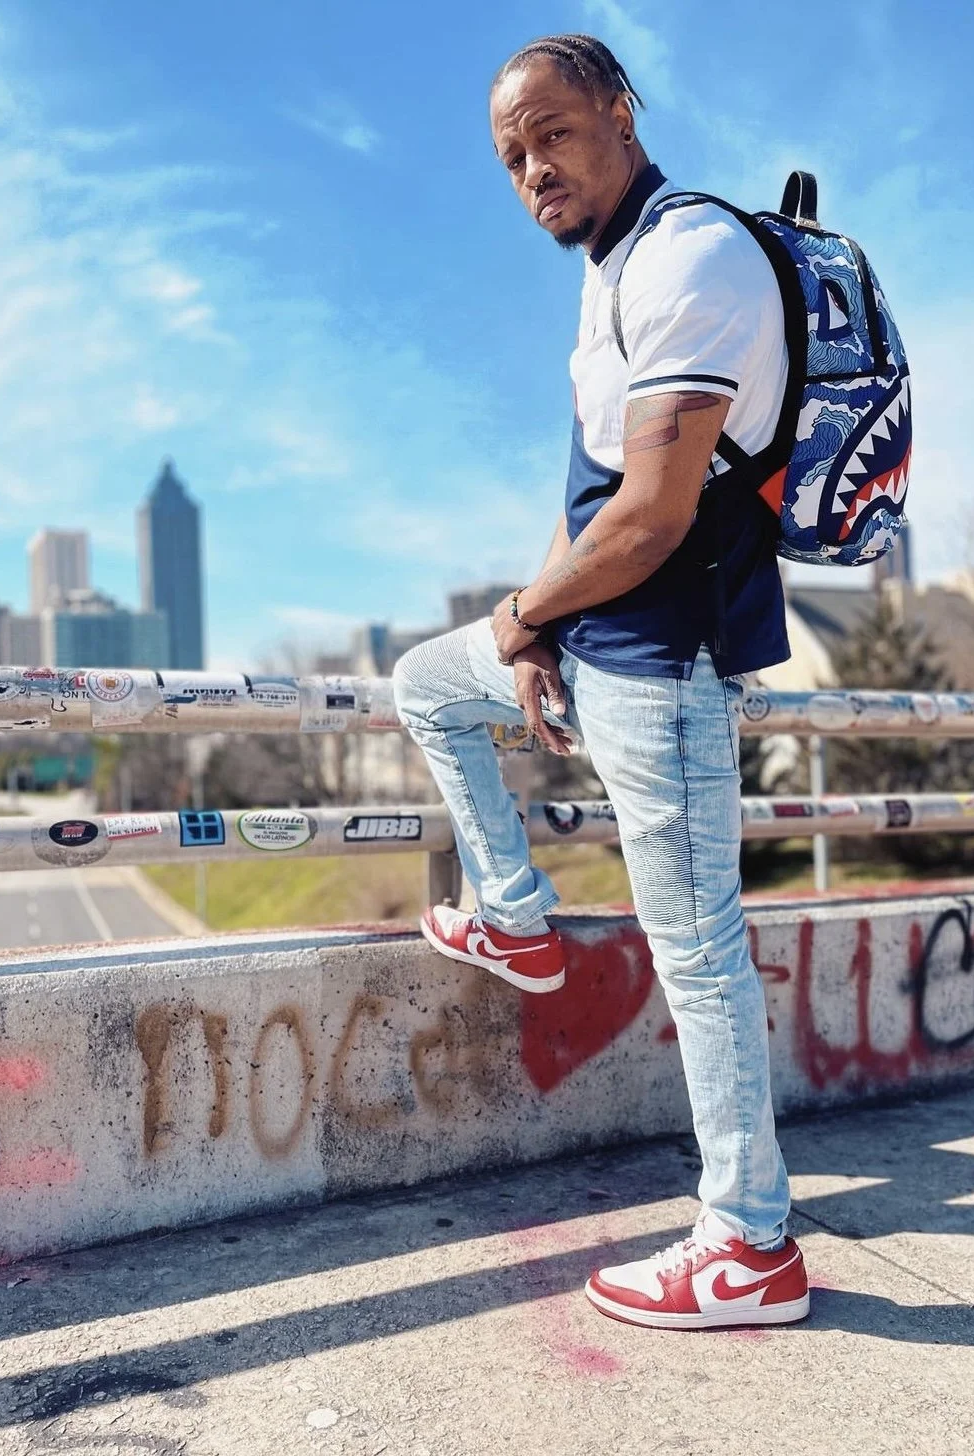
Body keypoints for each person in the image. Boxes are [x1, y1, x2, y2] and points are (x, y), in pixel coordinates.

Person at [392, 32, 808, 1330]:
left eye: (554, 133)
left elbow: (656, 518)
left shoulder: (690, 254)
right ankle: (514, 911)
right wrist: (525, 629)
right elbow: (594, 505)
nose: (534, 169)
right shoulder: (610, 270)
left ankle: (750, 1242)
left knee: (698, 954)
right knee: (425, 684)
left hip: (666, 665)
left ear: (621, 114)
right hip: (596, 647)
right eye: (514, 155)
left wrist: (528, 614)